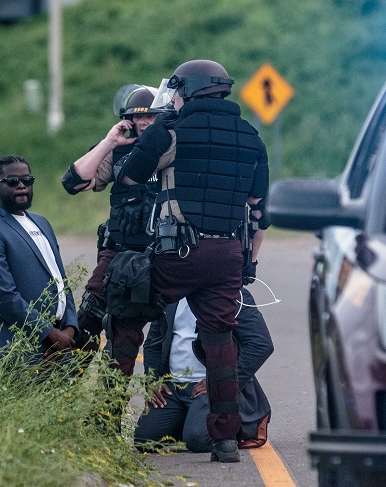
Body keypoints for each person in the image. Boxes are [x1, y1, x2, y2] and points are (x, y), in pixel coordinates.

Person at [112, 59, 270, 462]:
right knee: (219, 340)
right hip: (228, 255)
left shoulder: (171, 132)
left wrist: (162, 123)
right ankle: (226, 440)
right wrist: (248, 260)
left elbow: (130, 175)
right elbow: (257, 207)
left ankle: (107, 414)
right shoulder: (252, 137)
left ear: (187, 91)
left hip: (180, 251)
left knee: (127, 308)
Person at [61, 84, 171, 374]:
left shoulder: (175, 148)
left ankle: (107, 413)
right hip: (117, 254)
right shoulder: (121, 150)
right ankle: (61, 390)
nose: (144, 122)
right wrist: (109, 142)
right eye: (137, 117)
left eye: (151, 116)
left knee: (126, 338)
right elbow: (74, 182)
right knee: (87, 318)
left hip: (161, 257)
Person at [134, 288, 273, 454]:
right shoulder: (170, 294)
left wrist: (221, 382)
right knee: (144, 440)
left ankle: (242, 424)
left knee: (198, 440)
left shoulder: (232, 294)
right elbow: (153, 343)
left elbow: (261, 345)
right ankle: (191, 422)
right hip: (174, 388)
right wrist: (153, 379)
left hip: (212, 390)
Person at [0, 155, 78, 364]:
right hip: (19, 348)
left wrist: (70, 329)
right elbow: (3, 296)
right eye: (12, 182)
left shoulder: (41, 222)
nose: (22, 186)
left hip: (60, 344)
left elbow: (61, 282)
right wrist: (49, 333)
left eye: (27, 180)